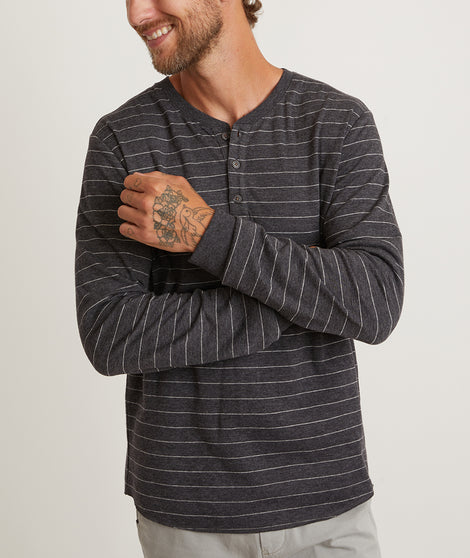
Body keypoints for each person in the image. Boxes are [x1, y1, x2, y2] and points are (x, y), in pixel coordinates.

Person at [75, 1, 404, 556]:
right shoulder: (123, 138)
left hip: (327, 507)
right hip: (185, 518)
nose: (136, 13)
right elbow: (109, 334)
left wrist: (205, 233)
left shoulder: (336, 122)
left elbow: (376, 300)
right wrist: (298, 300)